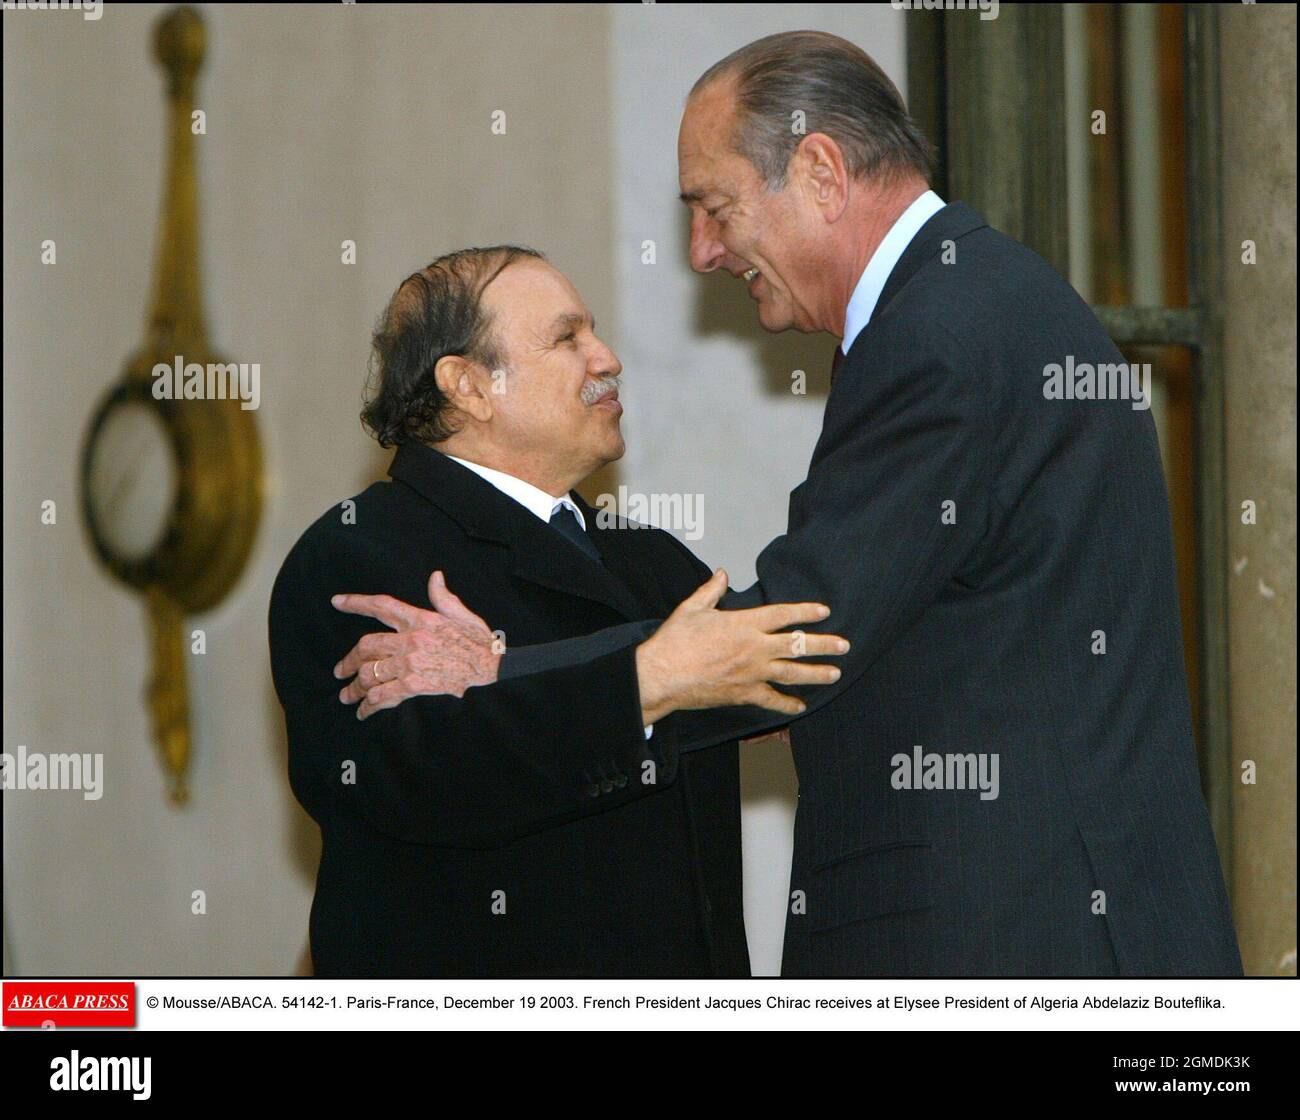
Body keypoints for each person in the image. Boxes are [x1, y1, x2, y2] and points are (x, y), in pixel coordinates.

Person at [331, 32, 1243, 977]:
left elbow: (806, 627)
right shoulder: (969, 303)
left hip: (1016, 939)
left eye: (716, 209)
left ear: (818, 170)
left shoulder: (943, 331)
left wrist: (500, 668)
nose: (704, 250)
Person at [269, 245, 847, 977]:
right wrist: (639, 684)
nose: (606, 359)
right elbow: (415, 781)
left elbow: (790, 668)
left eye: (594, 332)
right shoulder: (358, 558)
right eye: (568, 337)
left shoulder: (652, 562)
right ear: (470, 385)